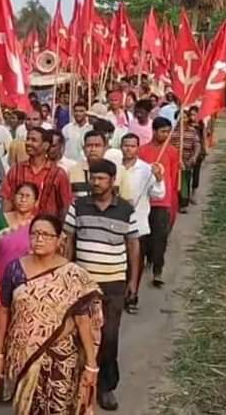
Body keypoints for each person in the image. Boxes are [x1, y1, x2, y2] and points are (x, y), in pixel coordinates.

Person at [0, 214, 102, 413]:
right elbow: (4, 311)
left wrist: (91, 364)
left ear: (59, 239)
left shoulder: (72, 274)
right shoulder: (14, 269)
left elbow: (82, 321)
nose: (39, 239)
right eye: (35, 234)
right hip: (24, 354)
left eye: (46, 235)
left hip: (61, 356)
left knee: (58, 408)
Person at [64, 159, 140, 411]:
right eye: (92, 178)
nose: (95, 183)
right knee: (78, 336)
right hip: (83, 284)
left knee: (108, 336)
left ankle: (106, 387)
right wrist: (64, 275)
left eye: (101, 178)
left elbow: (133, 246)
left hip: (114, 284)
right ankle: (79, 384)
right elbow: (69, 241)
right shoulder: (78, 206)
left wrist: (133, 281)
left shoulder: (126, 210)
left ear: (112, 180)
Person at [119, 133, 166, 313]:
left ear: (137, 148)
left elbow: (158, 194)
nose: (128, 149)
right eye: (125, 145)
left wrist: (159, 178)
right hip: (116, 224)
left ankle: (132, 297)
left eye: (132, 146)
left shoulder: (146, 169)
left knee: (135, 264)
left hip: (138, 224)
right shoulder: (115, 168)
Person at [138, 117, 180, 288]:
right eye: (163, 131)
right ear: (154, 131)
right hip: (144, 200)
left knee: (160, 237)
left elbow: (174, 175)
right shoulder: (142, 151)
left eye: (168, 131)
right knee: (143, 237)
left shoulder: (171, 151)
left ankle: (158, 270)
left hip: (163, 201)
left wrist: (172, 198)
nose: (166, 134)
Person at [0, 127, 72, 219]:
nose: (28, 143)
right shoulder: (16, 169)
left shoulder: (58, 174)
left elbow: (64, 206)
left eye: (34, 140)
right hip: (18, 229)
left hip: (45, 229)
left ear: (46, 145)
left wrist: (57, 229)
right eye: (27, 139)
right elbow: (7, 199)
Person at [0, 182, 39, 280]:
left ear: (36, 202)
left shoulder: (37, 226)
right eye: (20, 195)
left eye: (28, 196)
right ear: (14, 198)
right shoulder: (0, 221)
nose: (23, 199)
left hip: (27, 283)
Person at [69, 129, 123, 199]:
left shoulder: (120, 171)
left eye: (97, 145)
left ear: (105, 148)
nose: (93, 149)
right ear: (83, 148)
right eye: (89, 146)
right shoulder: (72, 171)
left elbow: (127, 201)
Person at [170, 108, 201, 214]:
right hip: (174, 161)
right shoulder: (172, 131)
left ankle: (183, 204)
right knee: (173, 182)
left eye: (184, 117)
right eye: (180, 117)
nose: (182, 119)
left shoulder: (192, 131)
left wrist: (194, 157)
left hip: (187, 160)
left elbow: (197, 145)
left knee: (184, 182)